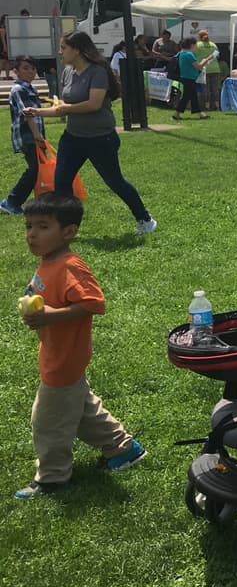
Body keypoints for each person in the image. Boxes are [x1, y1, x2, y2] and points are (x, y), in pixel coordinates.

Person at [14, 192, 147, 497]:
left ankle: (52, 477)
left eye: (43, 227)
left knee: (47, 421)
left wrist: (51, 316)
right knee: (82, 408)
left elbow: (93, 303)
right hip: (57, 352)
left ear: (68, 232)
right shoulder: (49, 261)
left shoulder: (70, 266)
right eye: (29, 226)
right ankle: (123, 449)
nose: (32, 234)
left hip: (64, 358)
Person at [23, 32, 156, 234]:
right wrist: (37, 112)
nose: (60, 52)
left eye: (63, 48)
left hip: (101, 138)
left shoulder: (98, 72)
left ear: (77, 50)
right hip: (73, 137)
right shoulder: (68, 72)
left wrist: (65, 109)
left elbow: (93, 104)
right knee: (62, 184)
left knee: (115, 182)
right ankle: (66, 227)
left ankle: (145, 219)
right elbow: (63, 106)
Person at [1, 56, 46, 215]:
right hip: (28, 137)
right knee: (34, 169)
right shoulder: (19, 89)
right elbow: (28, 115)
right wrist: (38, 137)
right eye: (26, 68)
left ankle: (37, 201)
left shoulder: (30, 88)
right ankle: (11, 201)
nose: (31, 72)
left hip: (34, 136)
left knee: (38, 169)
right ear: (16, 71)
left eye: (33, 68)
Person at [173, 36, 212, 119]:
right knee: (187, 97)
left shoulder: (182, 53)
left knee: (192, 96)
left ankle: (198, 112)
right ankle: (176, 114)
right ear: (191, 45)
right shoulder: (189, 54)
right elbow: (198, 66)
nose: (196, 47)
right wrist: (207, 59)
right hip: (189, 78)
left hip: (186, 77)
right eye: (195, 45)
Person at [194, 29, 223, 111]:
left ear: (199, 36)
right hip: (215, 68)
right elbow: (217, 56)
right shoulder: (213, 45)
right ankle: (217, 106)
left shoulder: (197, 45)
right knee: (215, 88)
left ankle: (207, 106)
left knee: (205, 89)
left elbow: (193, 56)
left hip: (204, 68)